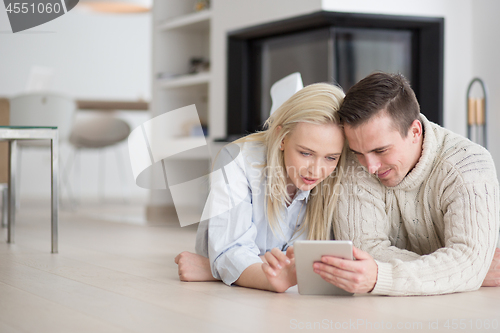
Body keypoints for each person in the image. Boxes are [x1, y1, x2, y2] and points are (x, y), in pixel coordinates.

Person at [313, 72, 500, 296]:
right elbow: (363, 250)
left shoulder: (469, 165)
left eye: (380, 150)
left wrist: (465, 267)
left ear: (414, 132)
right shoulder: (356, 162)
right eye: (358, 153)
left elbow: (467, 262)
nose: (370, 166)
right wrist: (454, 269)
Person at [176, 83, 348, 292]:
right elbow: (231, 251)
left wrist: (214, 269)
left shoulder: (340, 174)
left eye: (330, 158)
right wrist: (272, 277)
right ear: (282, 138)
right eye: (305, 153)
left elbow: (317, 262)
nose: (316, 170)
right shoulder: (236, 161)